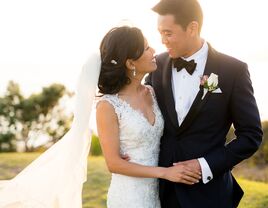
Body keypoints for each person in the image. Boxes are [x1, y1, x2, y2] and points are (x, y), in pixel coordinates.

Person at [145, 0, 263, 207]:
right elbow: (143, 113)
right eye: (160, 33)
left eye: (168, 33)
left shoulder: (233, 70)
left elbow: (251, 135)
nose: (163, 40)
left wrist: (204, 166)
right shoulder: (156, 65)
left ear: (192, 28)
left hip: (210, 196)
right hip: (159, 192)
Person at [96, 26, 201, 208]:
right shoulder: (108, 105)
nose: (154, 51)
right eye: (146, 48)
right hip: (129, 195)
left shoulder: (152, 92)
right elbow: (113, 163)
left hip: (157, 192)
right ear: (130, 64)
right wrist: (165, 173)